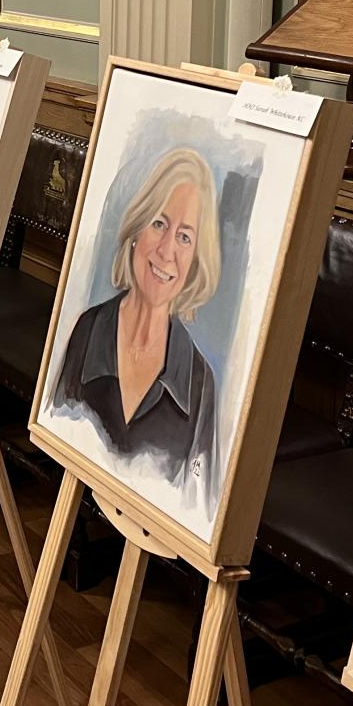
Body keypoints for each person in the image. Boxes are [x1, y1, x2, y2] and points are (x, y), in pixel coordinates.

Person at [51, 147, 222, 496]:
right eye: (159, 223)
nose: (167, 250)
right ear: (136, 232)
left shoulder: (199, 382)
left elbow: (197, 501)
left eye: (185, 237)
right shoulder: (88, 331)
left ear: (195, 262)